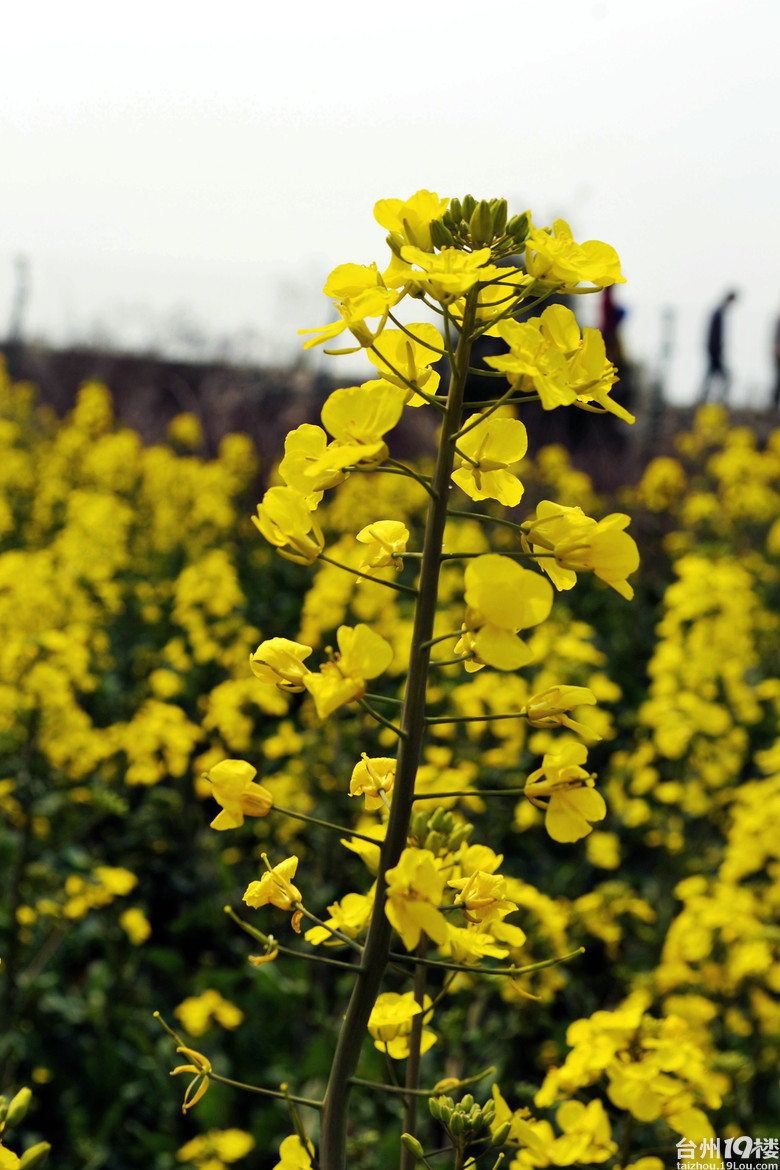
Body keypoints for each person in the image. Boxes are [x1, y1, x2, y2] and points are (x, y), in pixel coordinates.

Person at [700, 290, 738, 403]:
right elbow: (715, 334)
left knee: (711, 375)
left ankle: (707, 397)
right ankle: (719, 399)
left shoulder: (719, 311)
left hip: (714, 350)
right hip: (714, 350)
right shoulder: (719, 312)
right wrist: (717, 349)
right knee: (725, 376)